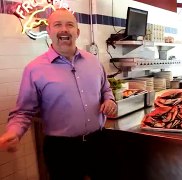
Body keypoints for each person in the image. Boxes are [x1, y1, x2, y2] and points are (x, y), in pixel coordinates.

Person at [0, 8, 117, 179]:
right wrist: (14, 132)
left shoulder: (94, 62)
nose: (64, 29)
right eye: (57, 25)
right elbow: (23, 111)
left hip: (98, 142)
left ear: (77, 32)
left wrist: (110, 101)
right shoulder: (34, 69)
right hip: (61, 149)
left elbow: (106, 89)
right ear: (49, 31)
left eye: (69, 25)